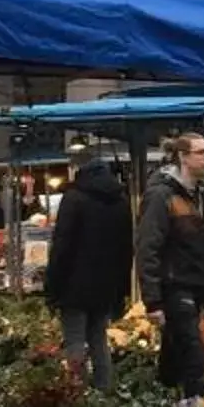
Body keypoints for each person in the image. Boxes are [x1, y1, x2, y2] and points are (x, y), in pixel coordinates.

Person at [136, 132, 204, 402]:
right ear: (183, 156)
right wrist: (153, 300)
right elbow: (148, 246)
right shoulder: (162, 196)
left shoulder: (199, 195)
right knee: (193, 354)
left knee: (174, 356)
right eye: (201, 153)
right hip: (174, 285)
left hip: (193, 285)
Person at [42, 155, 134, 389]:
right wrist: (121, 291)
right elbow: (126, 249)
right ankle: (104, 392)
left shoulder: (74, 199)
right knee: (98, 340)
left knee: (74, 342)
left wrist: (52, 288)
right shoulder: (121, 201)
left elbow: (61, 246)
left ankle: (76, 393)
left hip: (74, 286)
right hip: (106, 287)